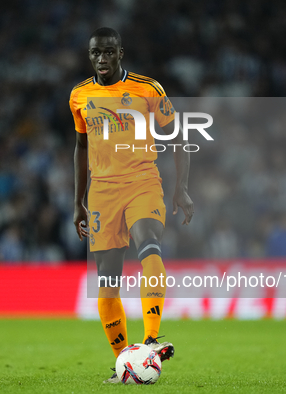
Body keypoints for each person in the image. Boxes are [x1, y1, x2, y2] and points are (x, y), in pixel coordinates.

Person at [70, 27, 194, 383]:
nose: (102, 59)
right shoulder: (79, 96)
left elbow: (179, 136)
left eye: (109, 52)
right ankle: (125, 361)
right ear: (89, 56)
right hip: (102, 193)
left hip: (142, 182)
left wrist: (181, 188)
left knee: (147, 242)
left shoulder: (148, 89)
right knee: (107, 280)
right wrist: (79, 201)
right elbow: (81, 147)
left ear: (121, 53)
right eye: (95, 53)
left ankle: (152, 339)